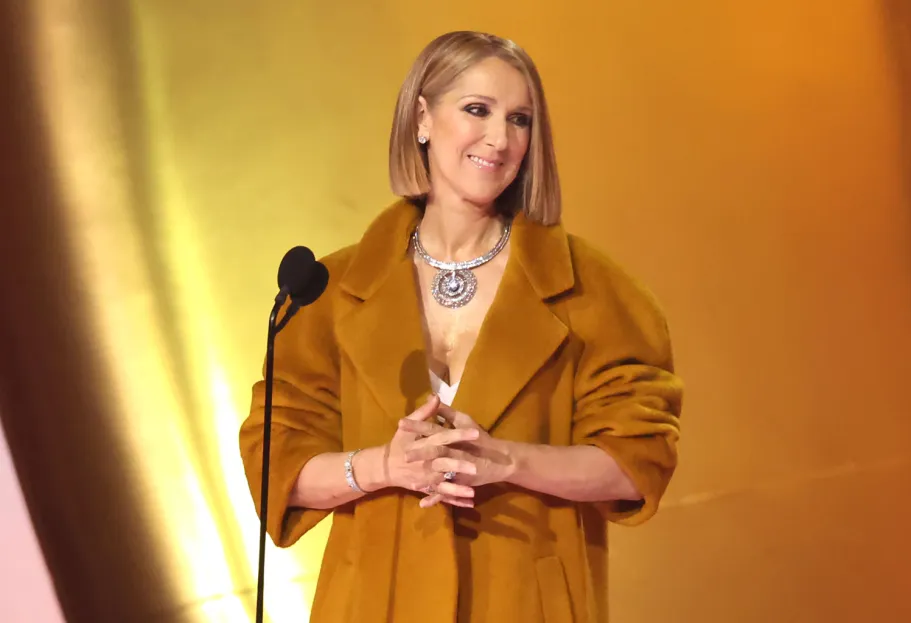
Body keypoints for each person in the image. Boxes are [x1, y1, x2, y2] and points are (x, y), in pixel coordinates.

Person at [239, 30, 683, 623]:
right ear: (421, 119)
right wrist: (383, 467)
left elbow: (637, 459)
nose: (500, 139)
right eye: (477, 110)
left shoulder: (594, 291)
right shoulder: (328, 291)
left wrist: (507, 461)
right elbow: (277, 463)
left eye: (520, 119)